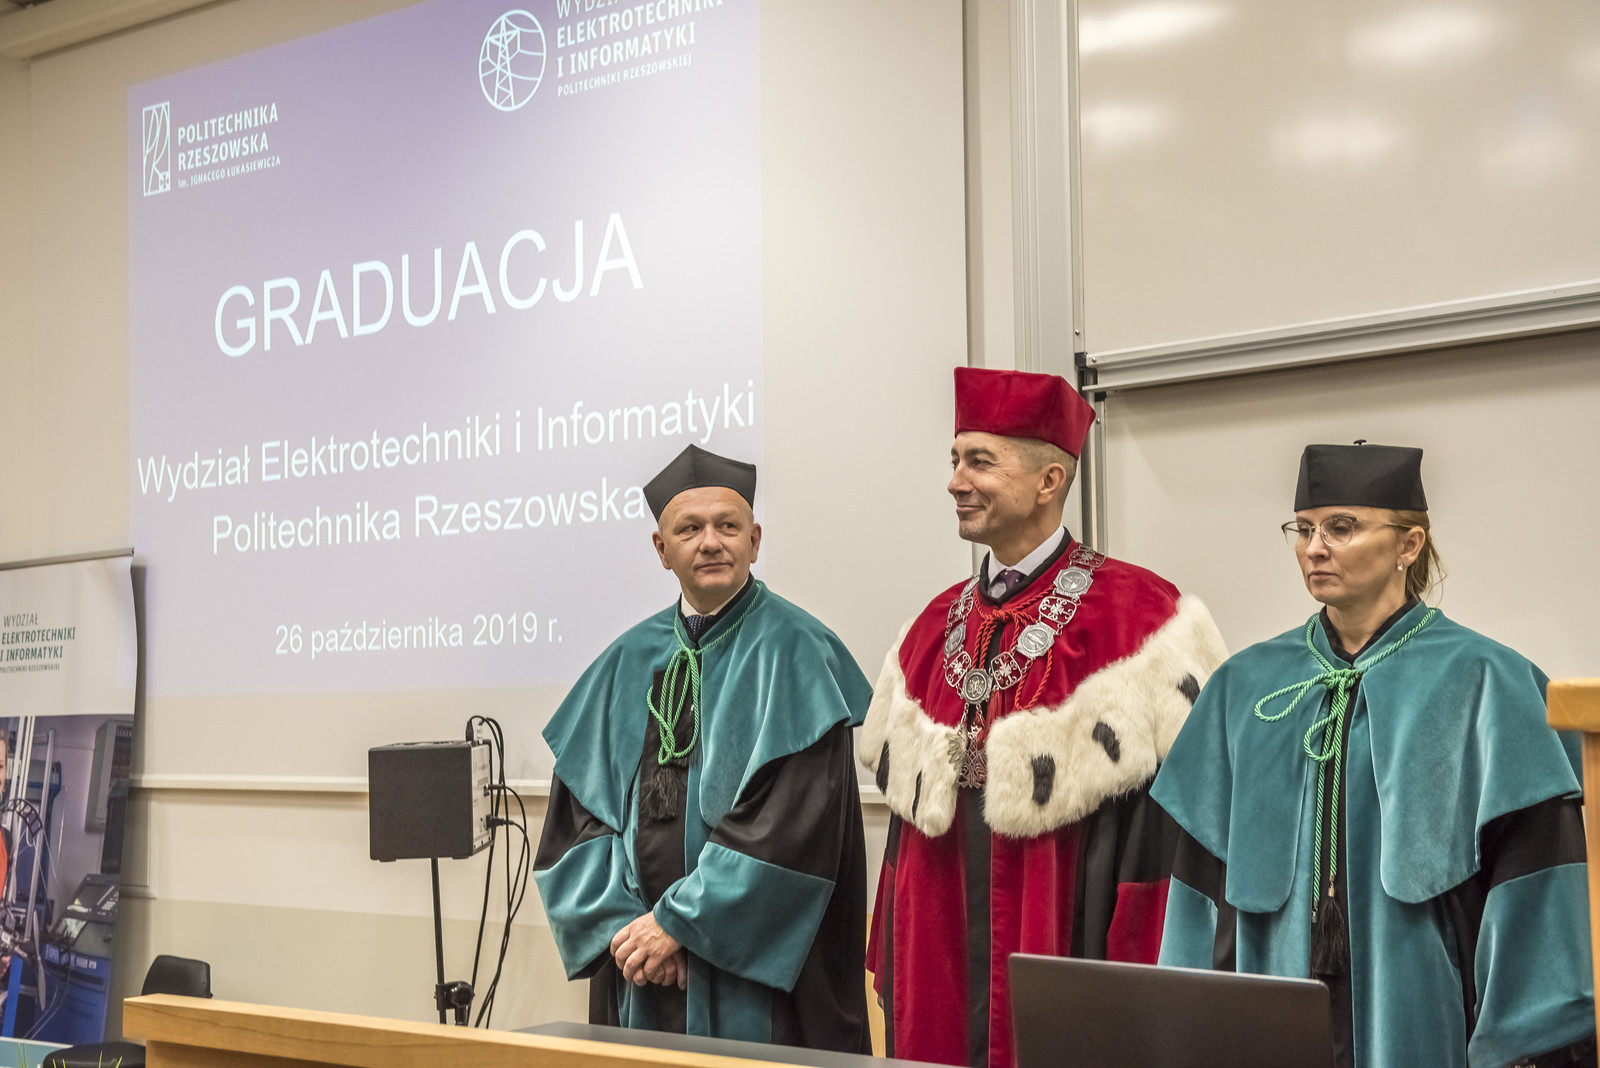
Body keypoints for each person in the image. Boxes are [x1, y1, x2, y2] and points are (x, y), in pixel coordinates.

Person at [1152, 442, 1596, 1068]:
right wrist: (1187, 1028)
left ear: (1408, 545)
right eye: (1304, 529)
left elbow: (1536, 890)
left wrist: (1523, 1043)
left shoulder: (1487, 682)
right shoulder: (1245, 687)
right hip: (1270, 1010)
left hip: (1425, 1012)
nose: (1315, 547)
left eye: (1342, 527)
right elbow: (1198, 892)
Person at [861, 367, 1228, 1068]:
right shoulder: (927, 631)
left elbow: (1171, 845)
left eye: (980, 462)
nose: (955, 481)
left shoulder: (1143, 620)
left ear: (1049, 481)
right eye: (954, 460)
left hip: (1071, 940)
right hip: (938, 955)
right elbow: (901, 848)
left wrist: (1144, 988)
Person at [532, 444, 874, 1051]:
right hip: (640, 968)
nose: (711, 542)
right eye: (689, 529)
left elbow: (793, 827)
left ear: (755, 540)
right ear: (661, 549)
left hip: (757, 979)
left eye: (728, 526)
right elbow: (578, 820)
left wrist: (678, 925)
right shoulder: (623, 662)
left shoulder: (797, 652)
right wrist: (631, 933)